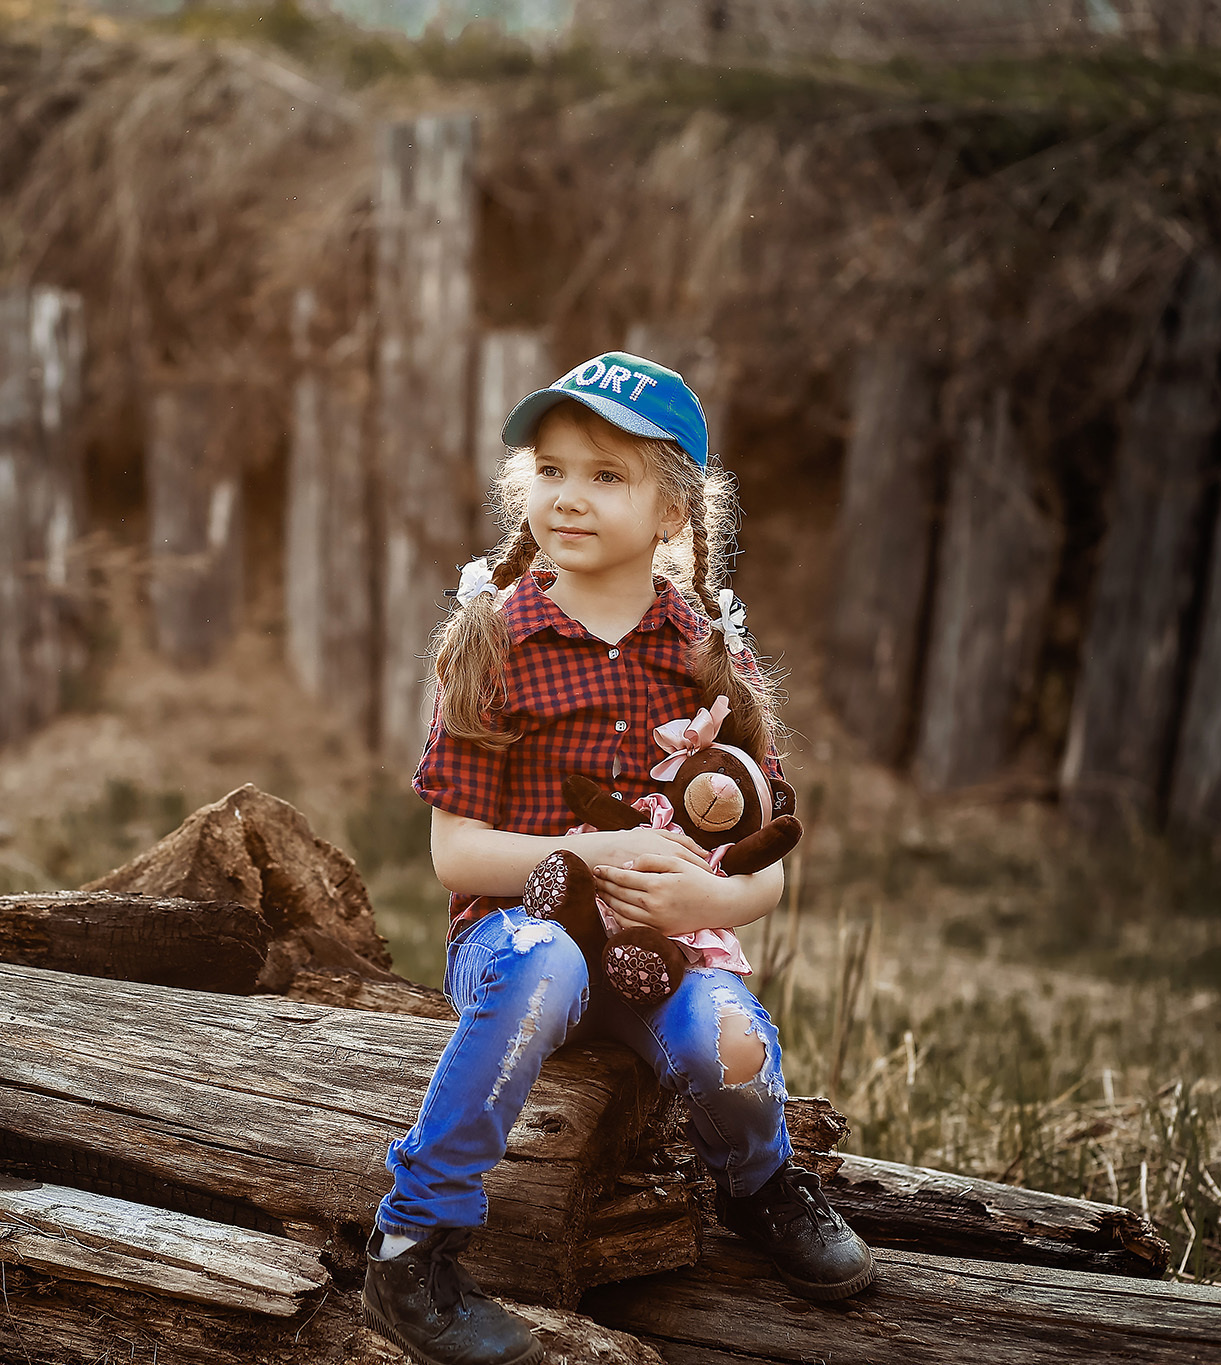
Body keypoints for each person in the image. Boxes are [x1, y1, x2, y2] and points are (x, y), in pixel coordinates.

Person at [362, 352, 875, 1365]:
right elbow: (455, 858)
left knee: (727, 1049)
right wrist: (590, 852)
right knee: (541, 964)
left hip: (662, 948)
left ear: (673, 511)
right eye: (550, 470)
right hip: (516, 935)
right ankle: (411, 1246)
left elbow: (762, 858)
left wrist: (707, 892)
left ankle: (758, 1183)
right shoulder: (490, 642)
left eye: (606, 476)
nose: (569, 496)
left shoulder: (704, 655)